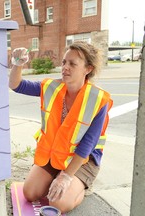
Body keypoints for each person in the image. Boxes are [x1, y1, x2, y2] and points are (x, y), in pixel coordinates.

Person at [9, 41, 113, 213]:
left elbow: (87, 145)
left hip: (83, 161)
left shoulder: (98, 100)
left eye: (73, 64)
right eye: (64, 62)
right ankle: (57, 178)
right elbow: (16, 85)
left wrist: (65, 176)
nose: (65, 67)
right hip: (55, 154)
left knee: (58, 203)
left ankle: (82, 187)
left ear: (88, 69)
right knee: (29, 193)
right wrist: (18, 64)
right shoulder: (52, 87)